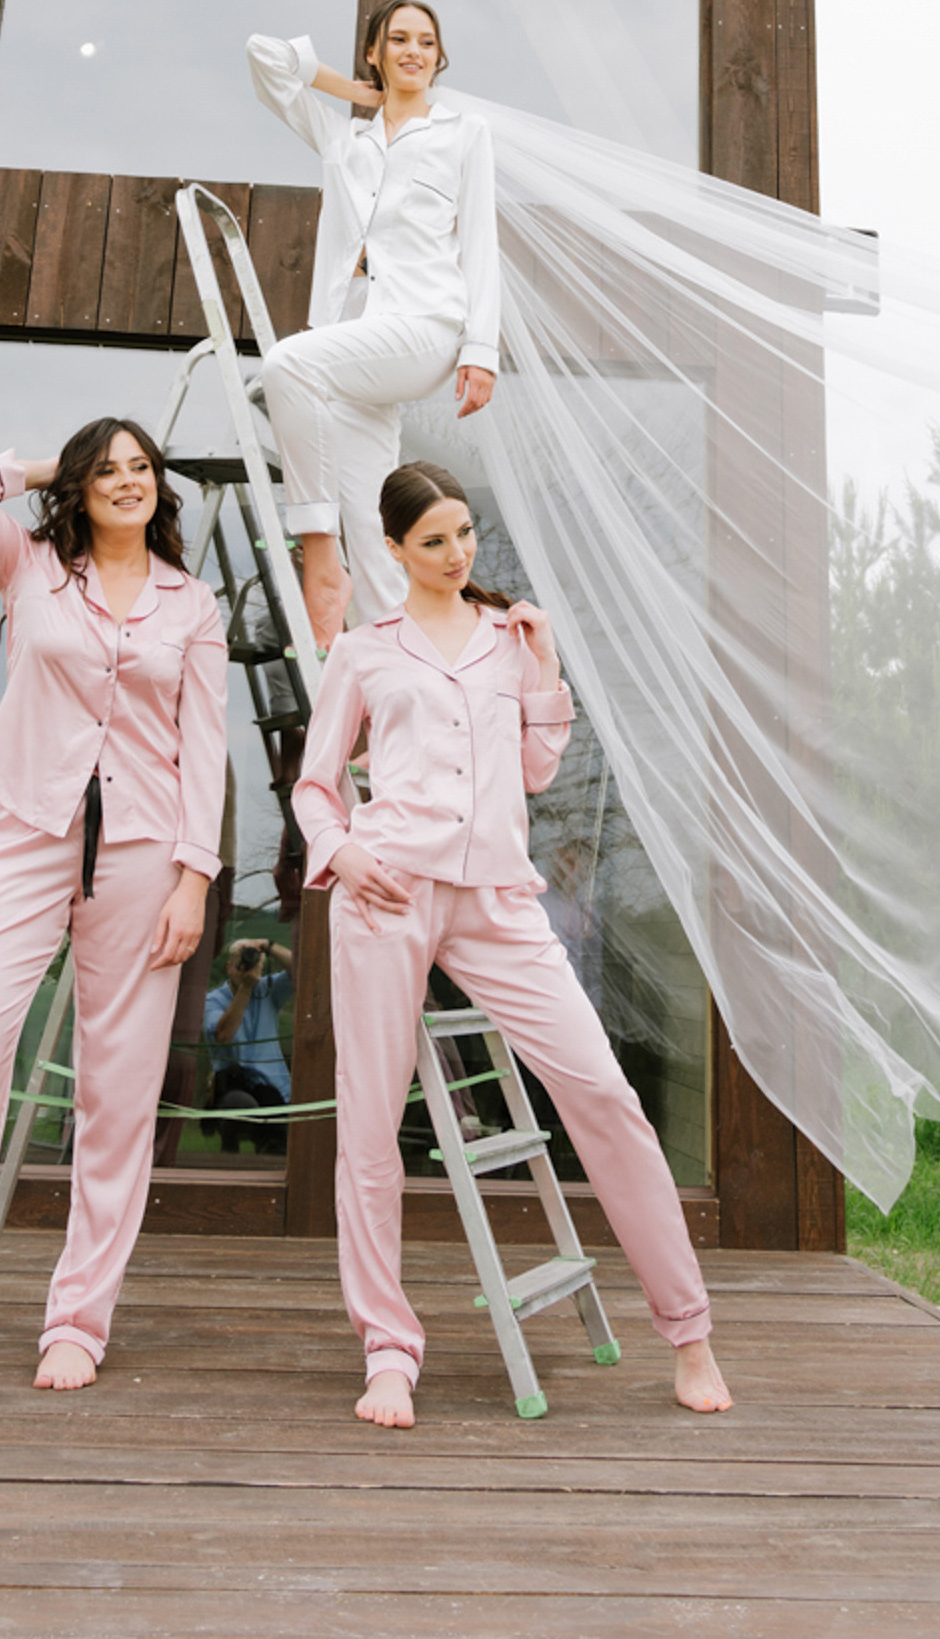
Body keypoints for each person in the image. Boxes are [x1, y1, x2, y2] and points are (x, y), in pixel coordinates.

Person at [292, 458, 732, 1430]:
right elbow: (315, 785)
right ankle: (389, 1350)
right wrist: (341, 856)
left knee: (603, 1096)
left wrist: (548, 672)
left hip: (497, 898)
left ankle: (688, 1332)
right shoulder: (364, 652)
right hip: (386, 891)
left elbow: (536, 771)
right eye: (435, 540)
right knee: (367, 1132)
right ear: (396, 550)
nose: (457, 554)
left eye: (465, 534)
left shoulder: (508, 638)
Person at [0, 419, 227, 1401]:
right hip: (20, 829)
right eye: (105, 469)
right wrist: (38, 467)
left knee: (118, 1089)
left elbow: (208, 746)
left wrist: (195, 874)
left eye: (141, 468)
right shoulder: (30, 566)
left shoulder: (194, 605)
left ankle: (78, 1319)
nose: (125, 482)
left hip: (145, 852)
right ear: (79, 484)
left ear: (161, 488)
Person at [248, 0, 498, 647]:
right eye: (398, 39)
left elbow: (480, 242)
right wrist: (347, 90)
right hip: (354, 342)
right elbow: (262, 55)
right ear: (374, 51)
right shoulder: (344, 138)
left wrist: (482, 348)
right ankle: (399, 687)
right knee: (372, 528)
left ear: (438, 57)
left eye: (426, 41)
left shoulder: (464, 135)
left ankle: (318, 557)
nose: (413, 50)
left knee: (286, 362)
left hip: (426, 325)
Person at [203, 934, 294, 1144]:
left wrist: (269, 946)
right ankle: (228, 1161)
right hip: (233, 1086)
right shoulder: (213, 1001)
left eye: (253, 963)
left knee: (278, 1136)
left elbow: (303, 971)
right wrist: (245, 989)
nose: (245, 968)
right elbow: (223, 1035)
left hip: (272, 1086)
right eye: (240, 963)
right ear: (229, 967)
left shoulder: (268, 989)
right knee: (239, 1105)